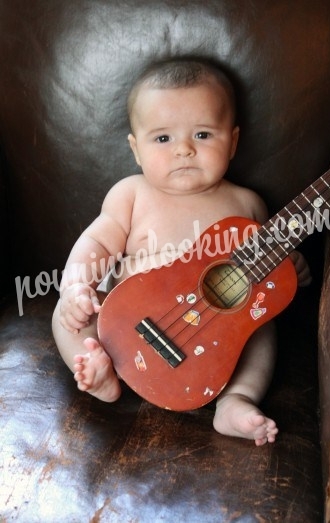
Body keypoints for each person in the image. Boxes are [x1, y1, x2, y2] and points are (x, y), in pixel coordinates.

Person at [52, 58, 311, 446]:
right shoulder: (131, 194)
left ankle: (236, 398)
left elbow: (267, 276)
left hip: (211, 342)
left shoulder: (246, 204)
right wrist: (77, 287)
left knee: (260, 327)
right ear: (136, 149)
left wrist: (293, 268)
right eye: (163, 139)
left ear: (233, 140)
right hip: (125, 329)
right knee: (68, 315)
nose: (184, 150)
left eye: (203, 135)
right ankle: (102, 375)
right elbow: (98, 244)